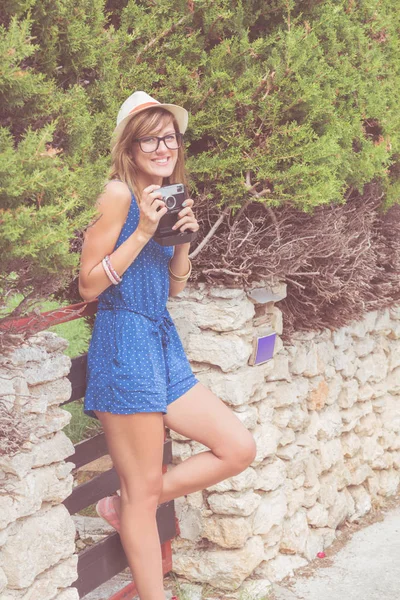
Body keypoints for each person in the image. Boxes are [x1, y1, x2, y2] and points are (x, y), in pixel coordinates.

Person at [78, 91, 257, 600]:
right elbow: (89, 285)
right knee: (142, 491)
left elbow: (175, 287)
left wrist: (180, 239)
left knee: (237, 447)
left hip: (161, 341)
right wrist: (143, 231)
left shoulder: (165, 192)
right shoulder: (117, 195)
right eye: (150, 139)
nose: (163, 147)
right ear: (129, 148)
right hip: (123, 342)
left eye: (169, 137)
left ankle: (127, 502)